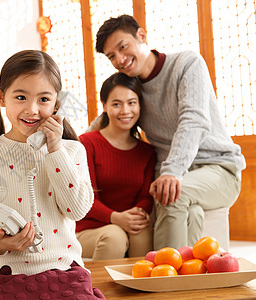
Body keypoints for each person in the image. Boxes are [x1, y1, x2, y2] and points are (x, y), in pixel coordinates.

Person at [0, 50, 105, 299]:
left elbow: (77, 209)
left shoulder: (72, 150)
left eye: (44, 99)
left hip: (65, 270)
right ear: (1, 97)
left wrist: (55, 150)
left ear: (57, 103)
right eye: (20, 97)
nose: (32, 109)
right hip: (8, 273)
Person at [94, 14, 246, 250]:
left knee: (171, 194)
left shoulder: (187, 63)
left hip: (218, 168)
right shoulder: (131, 87)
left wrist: (172, 172)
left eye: (123, 47)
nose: (120, 59)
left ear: (141, 36)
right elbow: (105, 121)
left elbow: (193, 119)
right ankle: (192, 281)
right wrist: (68, 143)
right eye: (111, 56)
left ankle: (162, 278)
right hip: (174, 174)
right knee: (191, 211)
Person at [76, 72, 156, 259]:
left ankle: (140, 288)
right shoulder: (87, 143)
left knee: (142, 233)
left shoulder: (148, 151)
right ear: (104, 106)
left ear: (140, 105)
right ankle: (98, 290)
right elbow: (84, 198)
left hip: (128, 222)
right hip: (88, 229)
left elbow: (146, 197)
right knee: (114, 236)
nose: (125, 111)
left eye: (131, 102)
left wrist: (134, 215)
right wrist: (115, 218)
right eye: (116, 104)